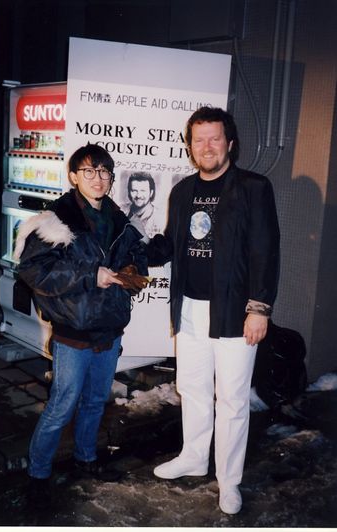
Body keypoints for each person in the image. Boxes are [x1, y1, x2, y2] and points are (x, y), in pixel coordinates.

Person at [147, 107, 280, 515]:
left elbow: (265, 250)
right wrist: (131, 253)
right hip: (189, 307)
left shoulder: (254, 188)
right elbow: (170, 243)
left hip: (235, 312)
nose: (206, 147)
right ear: (190, 146)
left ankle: (229, 479)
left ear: (230, 143)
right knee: (193, 389)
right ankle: (193, 456)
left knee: (233, 400)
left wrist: (259, 309)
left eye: (214, 139)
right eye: (199, 139)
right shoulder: (183, 190)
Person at [14, 143, 148, 508]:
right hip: (73, 331)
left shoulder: (119, 219)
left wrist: (134, 273)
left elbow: (136, 258)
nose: (98, 179)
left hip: (109, 328)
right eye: (88, 171)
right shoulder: (56, 220)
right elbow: (33, 270)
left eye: (104, 171)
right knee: (62, 404)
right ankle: (38, 473)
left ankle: (86, 460)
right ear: (73, 177)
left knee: (94, 402)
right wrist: (91, 275)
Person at [123, 171, 164, 238]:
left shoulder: (161, 218)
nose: (138, 195)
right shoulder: (121, 211)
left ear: (151, 193)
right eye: (134, 191)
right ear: (129, 192)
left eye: (143, 191)